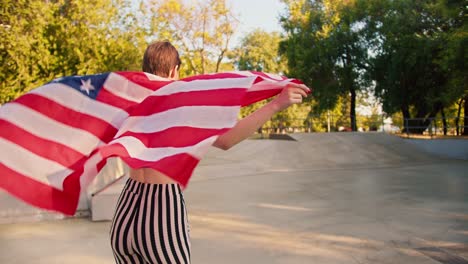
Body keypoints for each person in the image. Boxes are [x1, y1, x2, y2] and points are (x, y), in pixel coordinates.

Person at [109, 41, 310, 264]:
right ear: (175, 70)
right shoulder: (179, 102)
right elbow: (226, 140)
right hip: (161, 210)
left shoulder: (134, 101)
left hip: (125, 211)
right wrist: (275, 104)